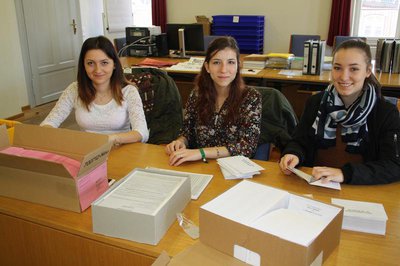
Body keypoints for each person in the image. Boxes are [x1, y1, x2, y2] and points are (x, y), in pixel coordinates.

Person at [279, 39, 400, 185]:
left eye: (354, 69)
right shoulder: (316, 102)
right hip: (317, 186)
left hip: (359, 189)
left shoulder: (385, 112)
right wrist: (293, 153)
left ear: (368, 71)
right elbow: (299, 141)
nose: (343, 77)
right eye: (337, 68)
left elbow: (393, 165)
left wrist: (344, 174)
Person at [165, 36, 262, 166]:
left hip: (234, 169)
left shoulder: (251, 97)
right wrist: (181, 141)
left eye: (231, 62)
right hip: (200, 165)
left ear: (239, 65)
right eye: (216, 62)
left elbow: (247, 147)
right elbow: (187, 132)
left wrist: (201, 152)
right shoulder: (197, 94)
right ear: (207, 66)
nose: (223, 69)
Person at [41, 36, 149, 145]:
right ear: (84, 65)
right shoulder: (74, 90)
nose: (98, 70)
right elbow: (48, 124)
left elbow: (142, 133)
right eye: (90, 63)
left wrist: (112, 139)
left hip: (121, 151)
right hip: (88, 153)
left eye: (104, 63)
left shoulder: (129, 92)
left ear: (114, 64)